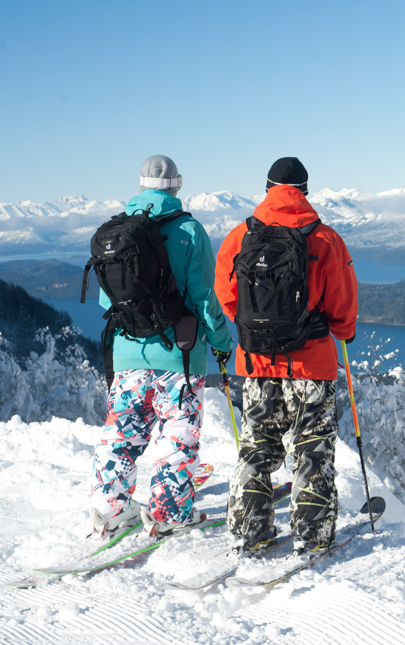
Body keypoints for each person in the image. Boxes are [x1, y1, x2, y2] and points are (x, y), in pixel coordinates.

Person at [214, 156, 358, 556]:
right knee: (312, 447)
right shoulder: (325, 238)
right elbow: (343, 303)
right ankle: (312, 536)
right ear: (305, 191)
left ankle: (251, 528)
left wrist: (256, 331)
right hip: (312, 364)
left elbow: (227, 296)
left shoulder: (240, 237)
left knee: (257, 444)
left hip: (257, 363)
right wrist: (342, 331)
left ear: (266, 188)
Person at [89, 155, 234, 537]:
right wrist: (221, 342)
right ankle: (168, 514)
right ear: (177, 185)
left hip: (126, 353)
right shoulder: (188, 230)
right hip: (179, 356)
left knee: (121, 433)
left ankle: (109, 509)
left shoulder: (115, 233)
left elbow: (108, 302)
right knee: (176, 438)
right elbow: (205, 298)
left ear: (140, 185)